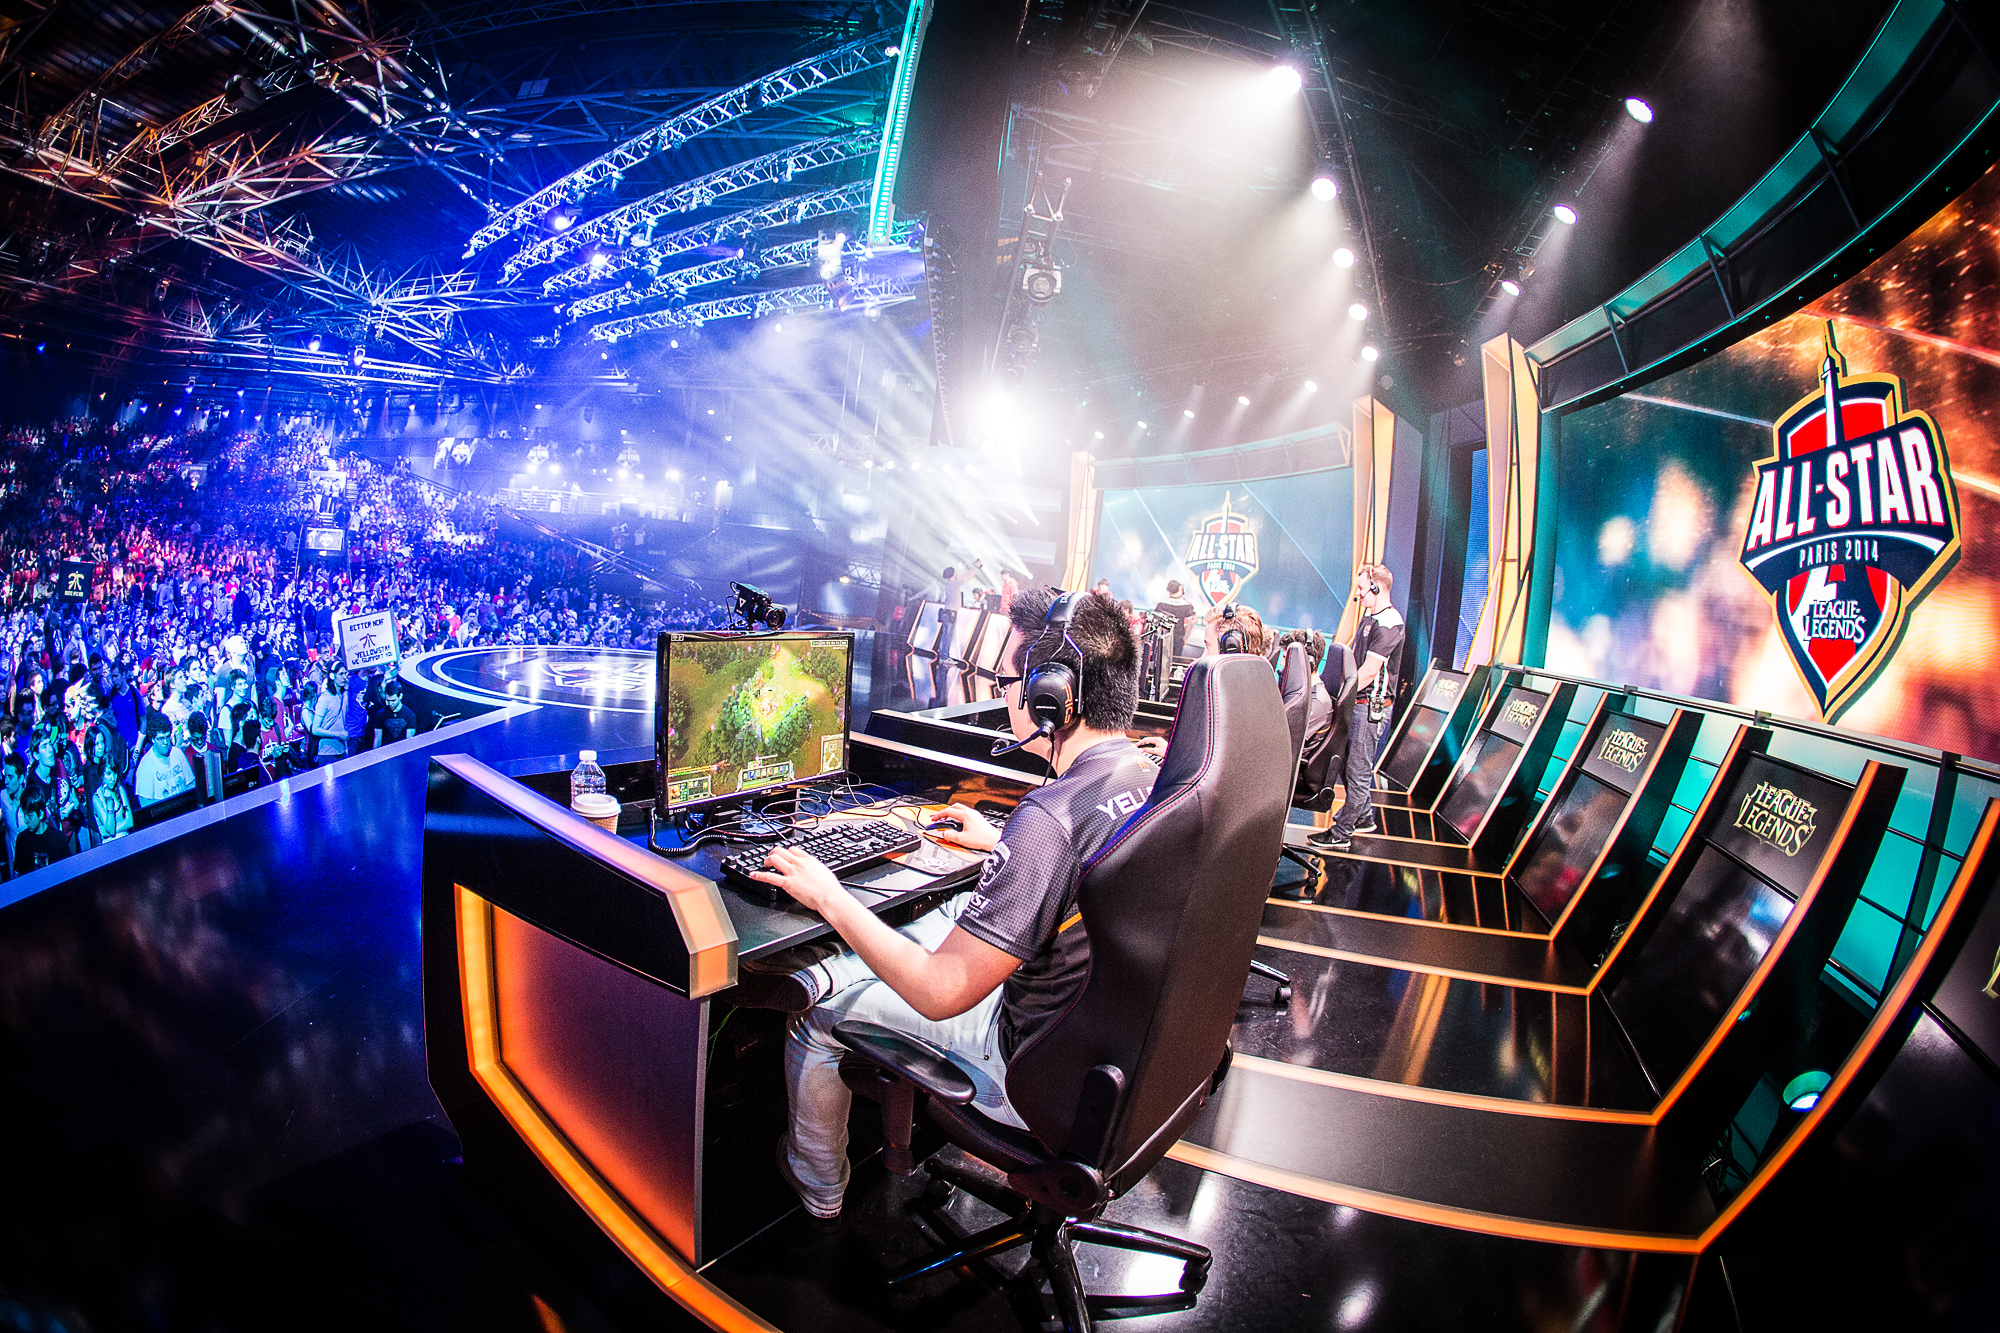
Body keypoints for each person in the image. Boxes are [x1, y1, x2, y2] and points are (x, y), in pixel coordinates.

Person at [746, 585, 1157, 1220]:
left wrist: (829, 895)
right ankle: (833, 971)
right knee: (945, 915)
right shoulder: (1146, 777)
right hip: (1116, 1058)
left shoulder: (1051, 820)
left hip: (1032, 1068)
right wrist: (1003, 845)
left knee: (814, 1020)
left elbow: (941, 992)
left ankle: (818, 1188)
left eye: (1012, 680)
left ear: (1052, 698)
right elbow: (1090, 871)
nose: (1008, 694)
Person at [1309, 564, 1405, 852]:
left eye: (1362, 588)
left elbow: (1369, 672)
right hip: (1359, 704)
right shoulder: (1371, 617)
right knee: (1348, 767)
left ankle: (1342, 831)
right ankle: (1363, 818)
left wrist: (1339, 698)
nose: (1358, 594)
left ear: (1376, 587)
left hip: (1370, 708)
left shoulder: (1389, 623)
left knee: (1358, 771)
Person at [135, 722, 196, 808]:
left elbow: (191, 783)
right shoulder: (145, 766)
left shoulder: (177, 753)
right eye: (160, 738)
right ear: (152, 739)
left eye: (167, 737)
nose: (165, 742)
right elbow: (144, 802)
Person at [1154, 580, 1196, 659]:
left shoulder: (1162, 604)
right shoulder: (1186, 606)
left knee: (1162, 658)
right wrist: (1185, 639)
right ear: (1179, 589)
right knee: (1175, 659)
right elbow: (1190, 624)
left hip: (1163, 636)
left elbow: (1154, 621)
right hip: (1179, 637)